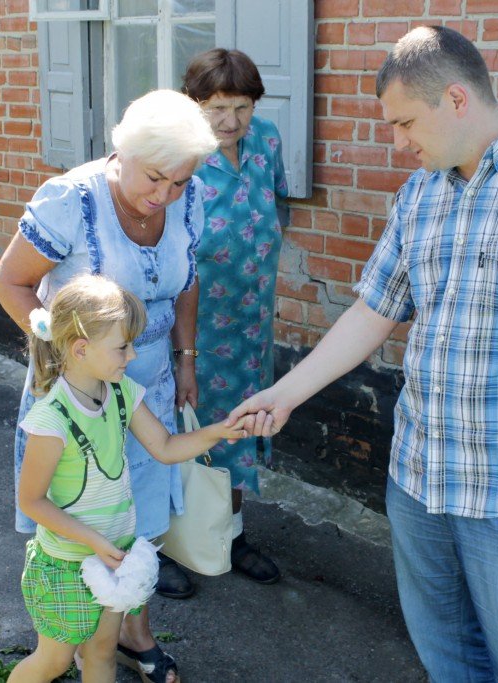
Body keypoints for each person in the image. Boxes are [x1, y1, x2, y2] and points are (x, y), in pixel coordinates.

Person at [228, 26, 498, 682]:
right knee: (445, 653)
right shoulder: (419, 196)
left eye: (404, 122)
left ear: (456, 99)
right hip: (418, 474)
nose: (398, 142)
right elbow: (374, 310)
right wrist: (285, 393)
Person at [0, 89, 217, 683]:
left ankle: (126, 637)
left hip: (147, 390)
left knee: (135, 522)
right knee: (79, 513)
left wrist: (185, 359)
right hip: (81, 394)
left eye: (178, 181)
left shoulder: (189, 198)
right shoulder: (71, 199)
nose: (164, 195)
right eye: (153, 178)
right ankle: (64, 632)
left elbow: (187, 280)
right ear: (123, 151)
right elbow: (11, 283)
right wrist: (66, 354)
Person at [7, 275, 249, 683]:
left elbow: (166, 447)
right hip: (67, 567)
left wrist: (221, 431)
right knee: (54, 661)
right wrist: (94, 542)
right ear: (81, 349)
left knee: (102, 653)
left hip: (112, 556)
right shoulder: (51, 420)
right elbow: (32, 501)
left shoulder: (121, 392)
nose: (133, 356)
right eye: (123, 346)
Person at [179, 48, 288, 586]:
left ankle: (230, 535)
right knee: (184, 428)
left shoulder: (266, 139)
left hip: (252, 321)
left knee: (242, 427)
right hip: (194, 324)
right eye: (216, 108)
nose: (230, 122)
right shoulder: (180, 155)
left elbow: (277, 206)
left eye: (241, 107)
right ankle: (159, 542)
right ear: (193, 106)